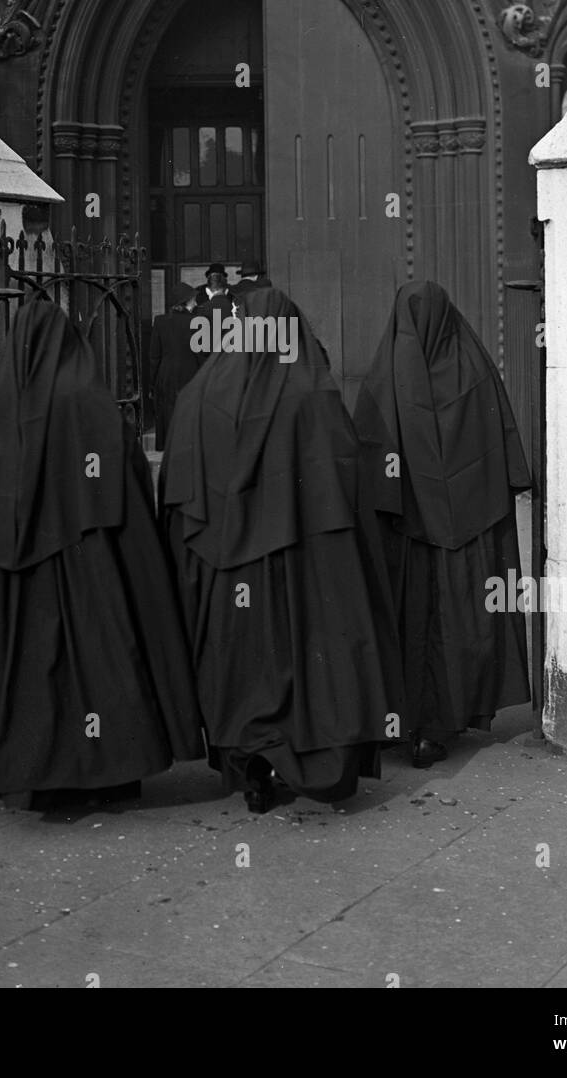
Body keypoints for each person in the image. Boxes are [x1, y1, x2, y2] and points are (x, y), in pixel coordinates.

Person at [0, 294, 204, 808]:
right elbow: (130, 487)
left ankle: (18, 767)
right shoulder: (89, 403)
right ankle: (105, 771)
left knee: (19, 670)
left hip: (2, 571)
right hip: (87, 565)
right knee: (96, 668)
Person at [159, 287, 405, 813]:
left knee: (240, 663)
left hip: (228, 570)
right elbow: (344, 481)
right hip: (304, 564)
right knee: (305, 659)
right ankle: (305, 759)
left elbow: (178, 493)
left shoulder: (198, 395)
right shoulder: (312, 393)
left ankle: (250, 767)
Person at [353, 280, 532, 767]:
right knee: (462, 626)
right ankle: (446, 721)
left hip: (409, 538)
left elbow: (369, 451)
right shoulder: (474, 367)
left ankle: (405, 722)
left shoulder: (388, 373)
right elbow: (502, 441)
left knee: (412, 626)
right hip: (469, 538)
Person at [148, 281, 201, 451]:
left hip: (166, 373)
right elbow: (201, 354)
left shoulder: (160, 321)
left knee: (167, 412)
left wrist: (152, 382)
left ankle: (168, 446)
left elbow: (154, 356)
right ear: (185, 302)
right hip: (191, 372)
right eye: (193, 300)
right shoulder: (197, 322)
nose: (196, 303)